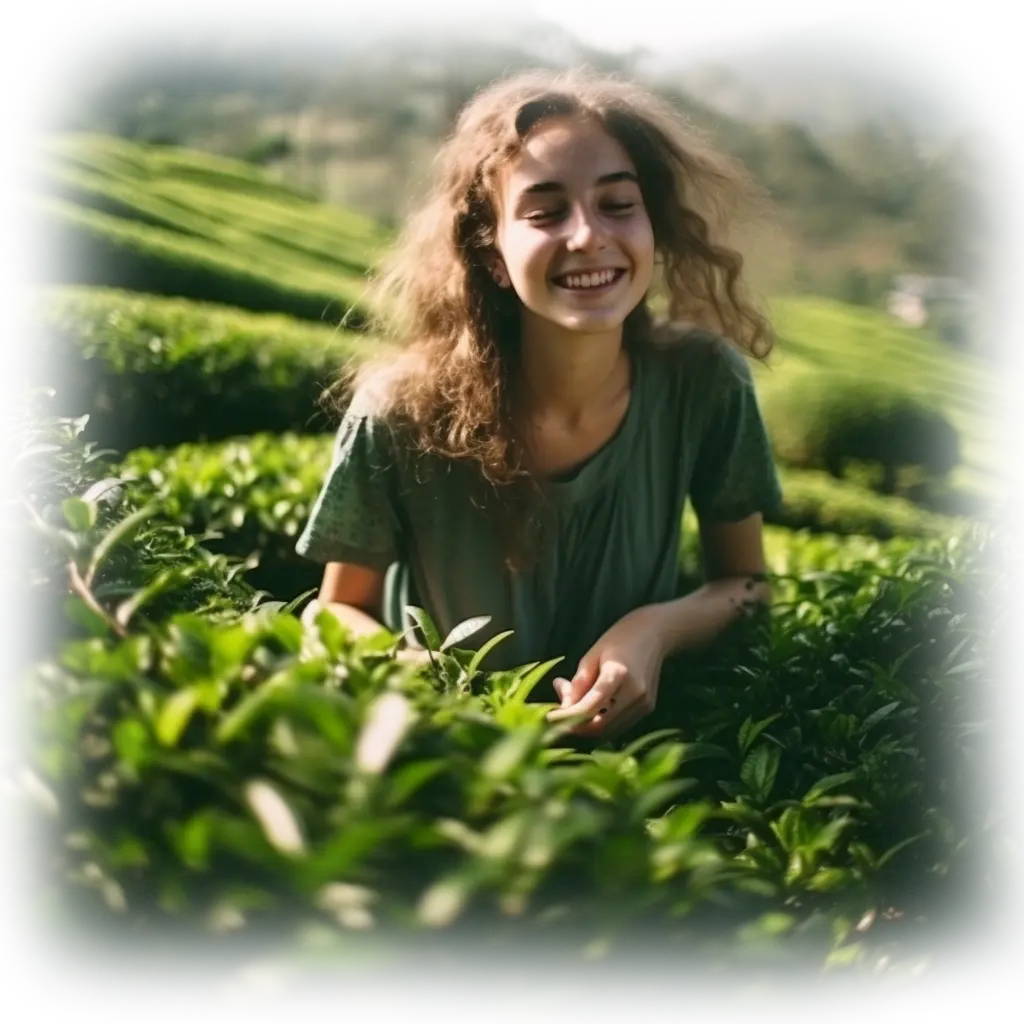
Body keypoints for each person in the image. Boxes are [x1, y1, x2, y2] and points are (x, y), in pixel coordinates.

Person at [296, 64, 783, 744]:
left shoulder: (704, 383)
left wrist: (654, 632)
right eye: (546, 211)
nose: (588, 236)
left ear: (654, 227)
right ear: (492, 253)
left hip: (634, 778)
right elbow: (335, 613)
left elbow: (748, 585)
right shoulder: (401, 409)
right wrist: (441, 693)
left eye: (619, 204)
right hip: (440, 761)